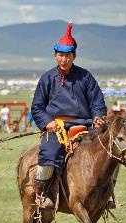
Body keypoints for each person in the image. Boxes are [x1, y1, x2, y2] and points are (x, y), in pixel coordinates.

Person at [31, 22, 107, 209]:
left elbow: (97, 101)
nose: (64, 59)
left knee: (106, 152)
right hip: (56, 127)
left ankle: (106, 194)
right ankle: (42, 192)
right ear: (55, 55)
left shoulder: (86, 77)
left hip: (85, 125)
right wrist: (47, 122)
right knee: (49, 149)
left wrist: (98, 116)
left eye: (67, 56)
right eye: (60, 55)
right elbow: (37, 107)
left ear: (74, 56)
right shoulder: (47, 78)